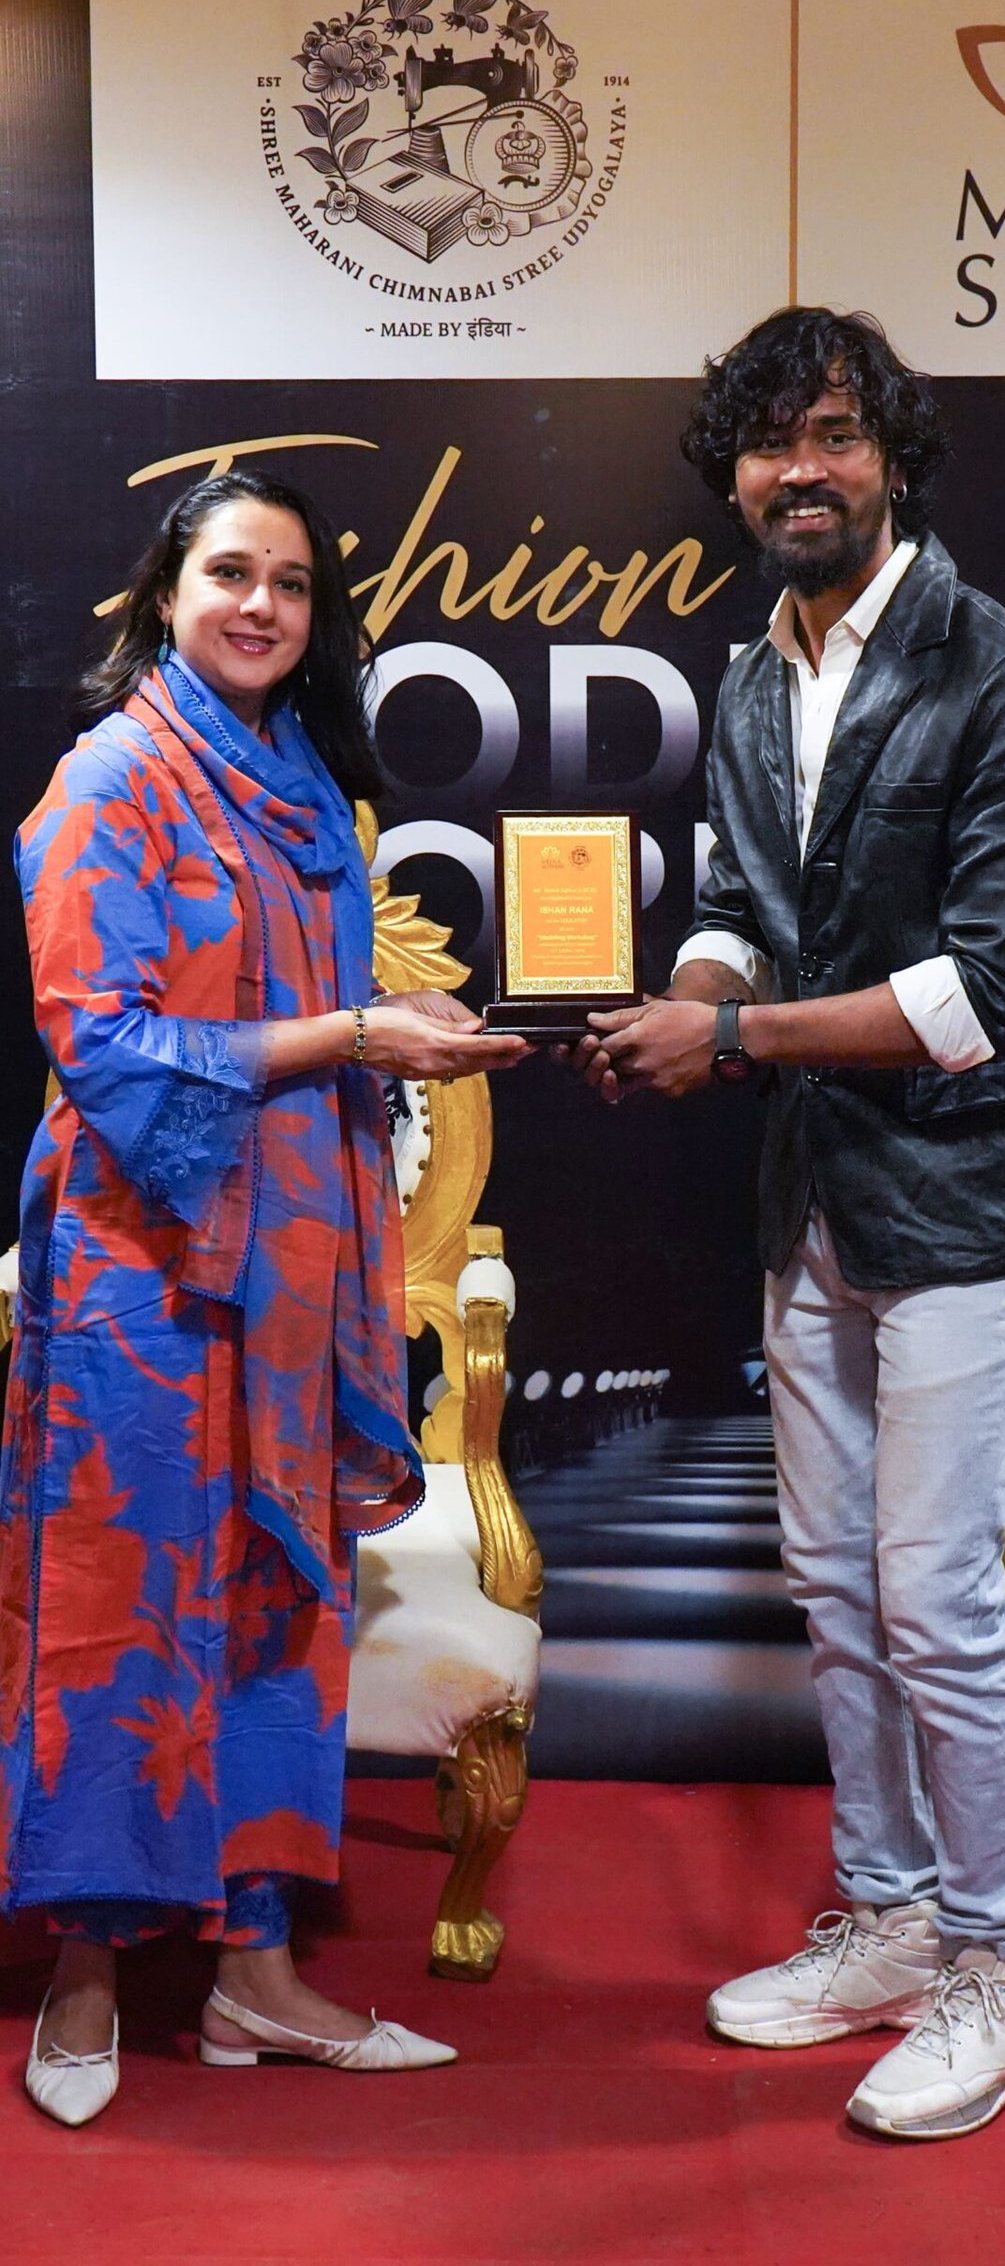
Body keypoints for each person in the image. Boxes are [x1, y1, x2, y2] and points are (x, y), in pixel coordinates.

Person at [575, 306, 1005, 2141]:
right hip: (819, 1201)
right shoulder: (751, 676)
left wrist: (729, 1040)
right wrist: (691, 996)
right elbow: (736, 902)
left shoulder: (1004, 674)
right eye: (770, 443)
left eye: (834, 437)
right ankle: (894, 1919)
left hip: (979, 1207)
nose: (800, 473)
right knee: (837, 1589)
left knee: (938, 1602)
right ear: (731, 475)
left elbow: (993, 995)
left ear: (894, 460)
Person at [0, 469, 527, 2126]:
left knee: (271, 1598)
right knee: (121, 1601)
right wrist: (360, 1035)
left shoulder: (298, 777)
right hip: (139, 1266)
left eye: (292, 584)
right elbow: (100, 1038)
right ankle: (84, 1975)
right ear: (168, 591)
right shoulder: (109, 779)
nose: (261, 607)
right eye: (231, 573)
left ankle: (255, 1971)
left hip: (289, 1258)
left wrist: (384, 1034)